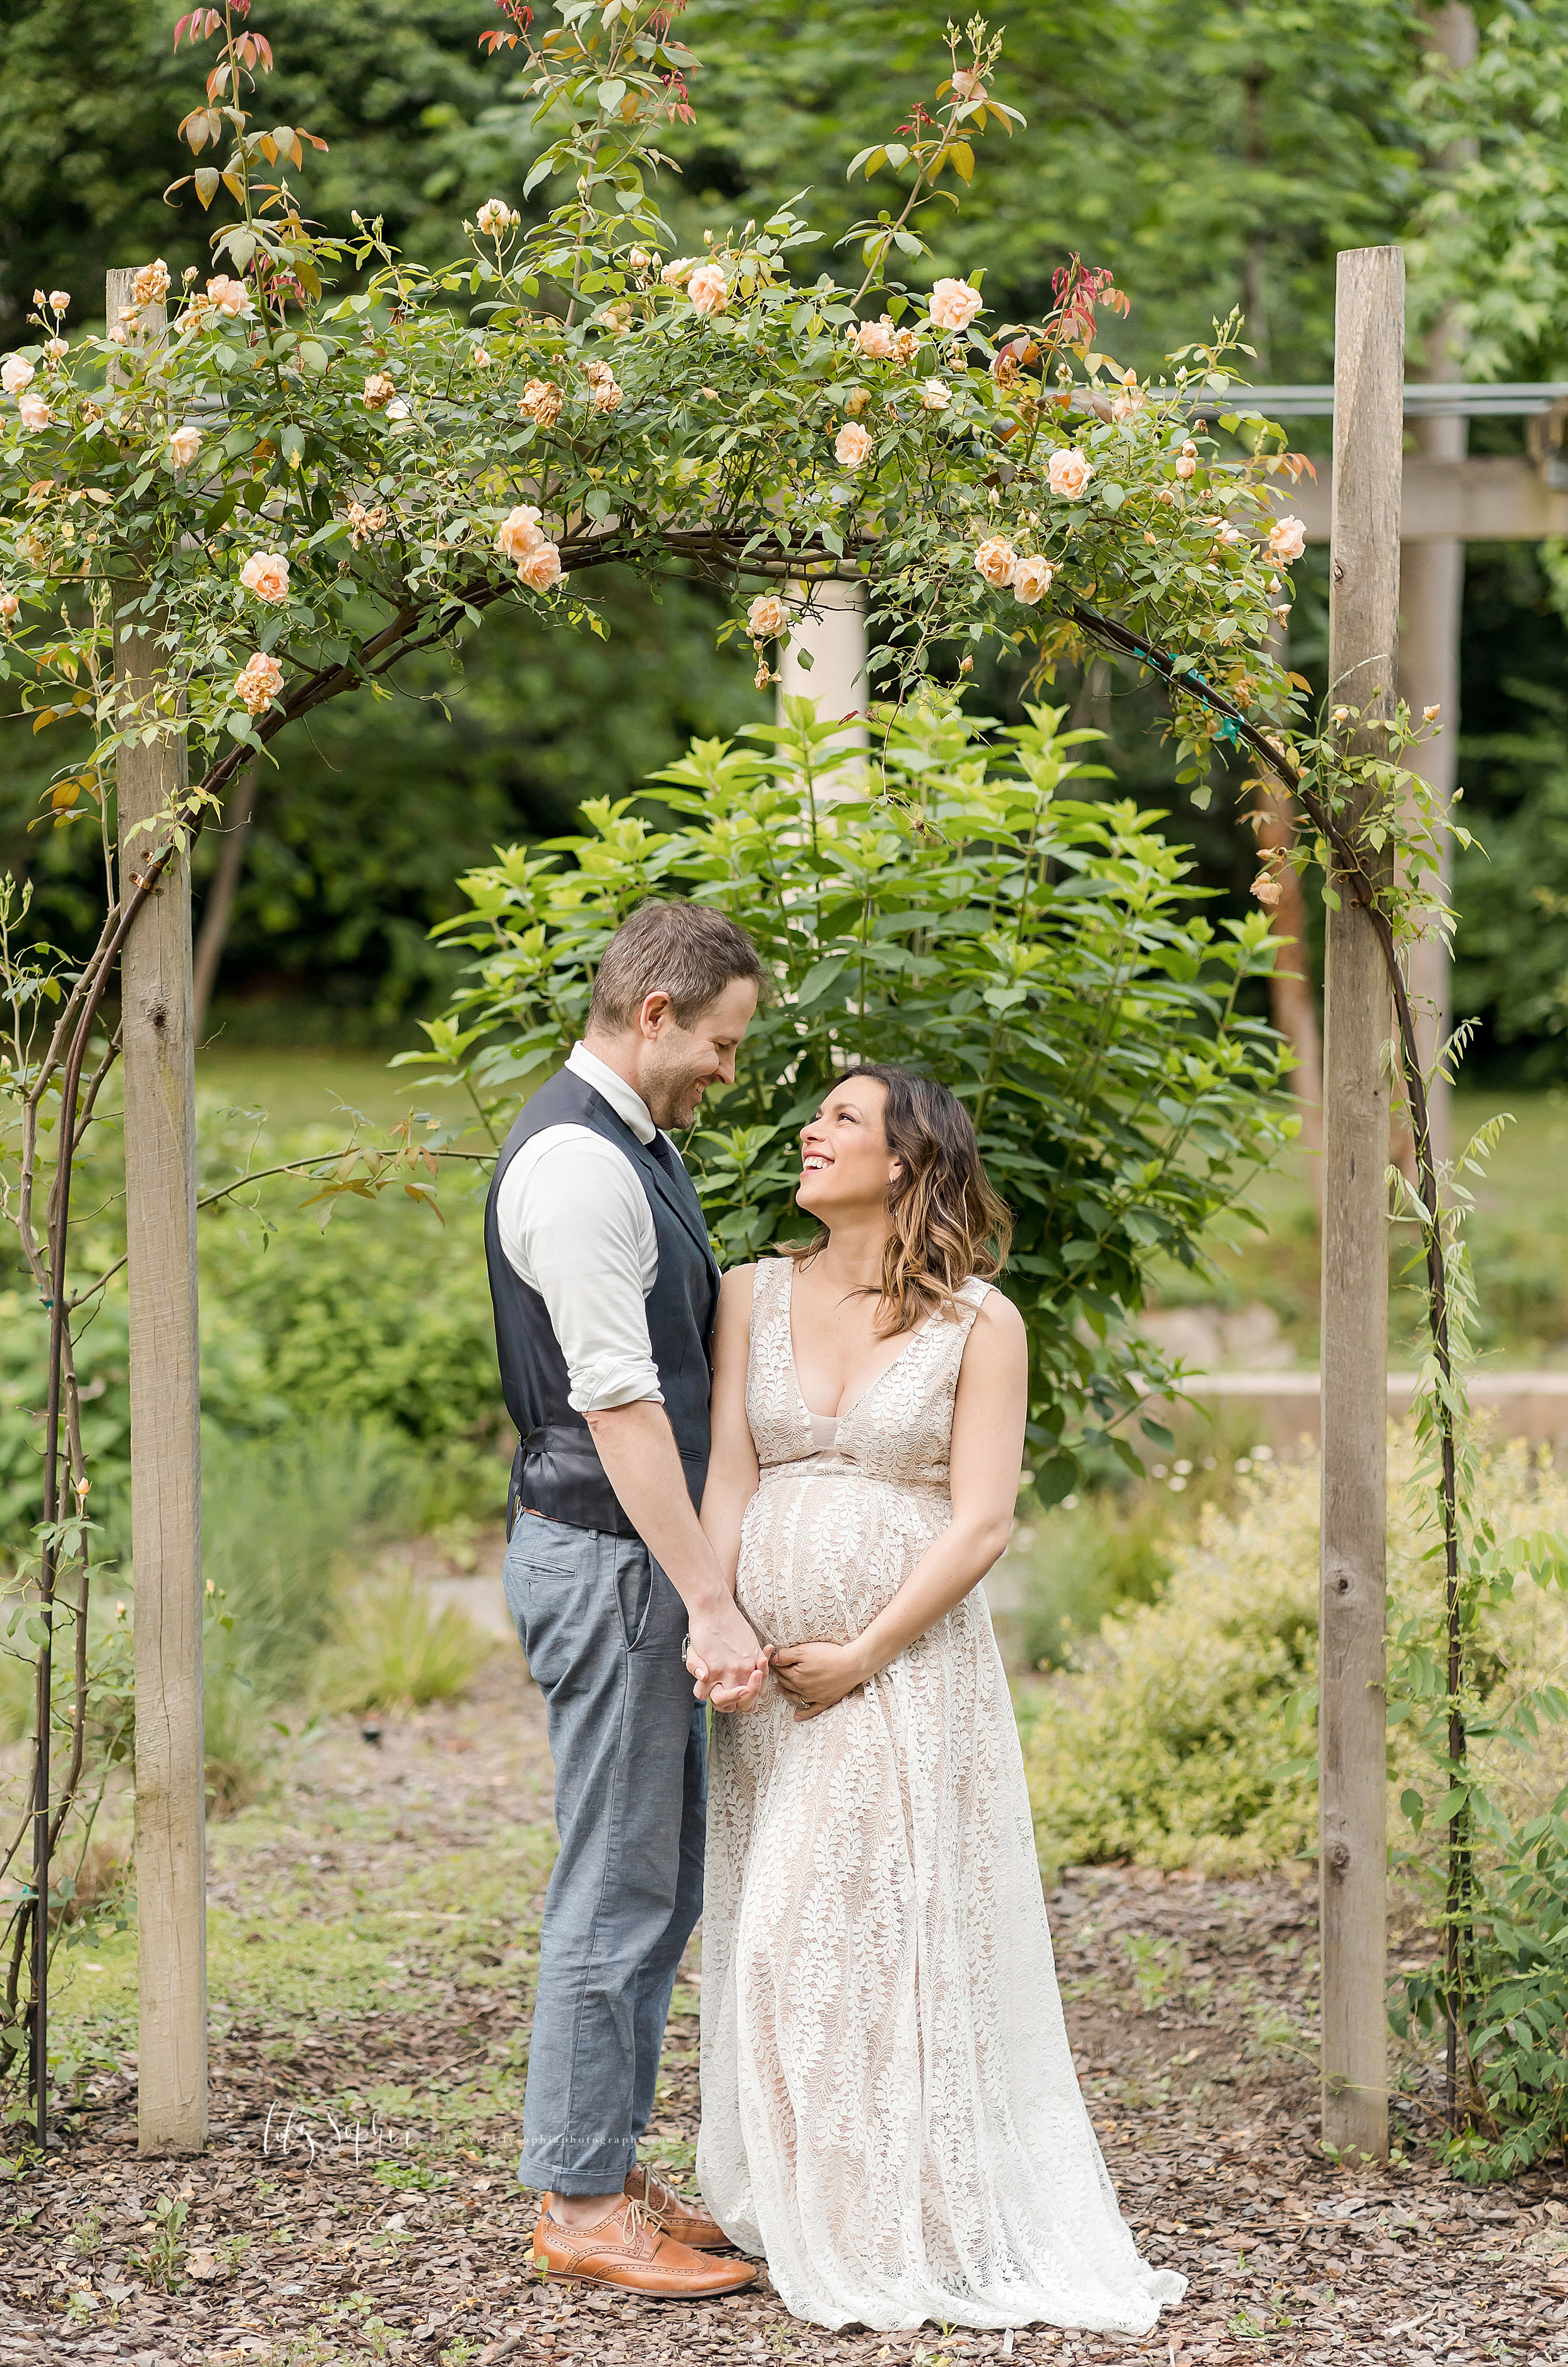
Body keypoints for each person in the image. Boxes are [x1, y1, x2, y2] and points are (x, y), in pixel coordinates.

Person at [691, 1064, 1189, 2336]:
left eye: (842, 1119)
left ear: (908, 1162)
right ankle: (811, 2198)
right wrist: (723, 1616)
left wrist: (860, 1651)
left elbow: (978, 1525)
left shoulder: (981, 1324)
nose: (810, 1132)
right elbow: (729, 1477)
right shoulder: (751, 1290)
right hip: (762, 1686)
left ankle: (877, 2221)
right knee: (784, 1932)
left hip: (895, 1675)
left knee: (827, 1932)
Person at [485, 900, 771, 2298]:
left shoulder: (631, 1148)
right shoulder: (580, 1170)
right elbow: (618, 1405)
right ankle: (581, 2200)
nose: (728, 1070)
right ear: (654, 1014)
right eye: (720, 1042)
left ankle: (598, 2156)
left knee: (651, 1889)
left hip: (623, 1564)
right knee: (615, 1888)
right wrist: (708, 1599)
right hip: (616, 1566)